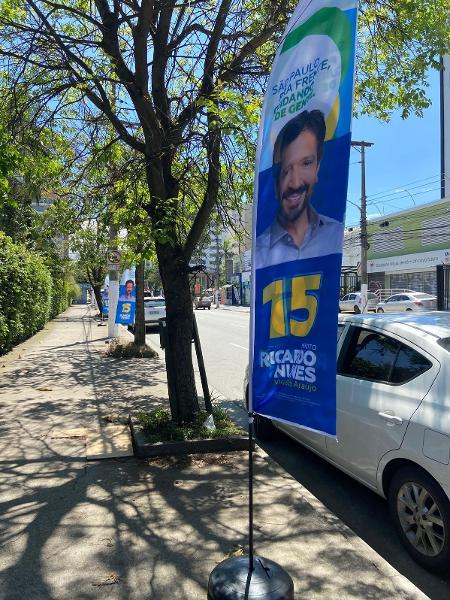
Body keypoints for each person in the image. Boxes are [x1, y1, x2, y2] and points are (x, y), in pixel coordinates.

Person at [255, 109, 344, 269]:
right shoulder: (259, 252)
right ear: (275, 178)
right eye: (286, 170)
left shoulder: (336, 236)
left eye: (306, 163)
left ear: (317, 167)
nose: (295, 183)